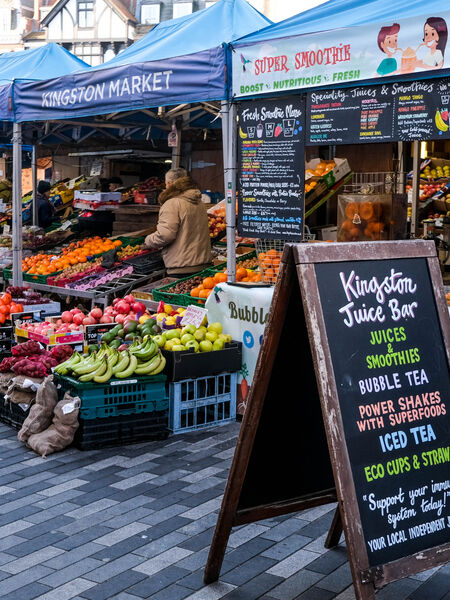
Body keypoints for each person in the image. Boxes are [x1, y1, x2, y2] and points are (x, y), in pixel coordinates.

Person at [145, 168, 212, 277]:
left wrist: (148, 241)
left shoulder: (172, 203)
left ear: (169, 184)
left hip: (181, 266)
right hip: (202, 263)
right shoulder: (199, 202)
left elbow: (165, 235)